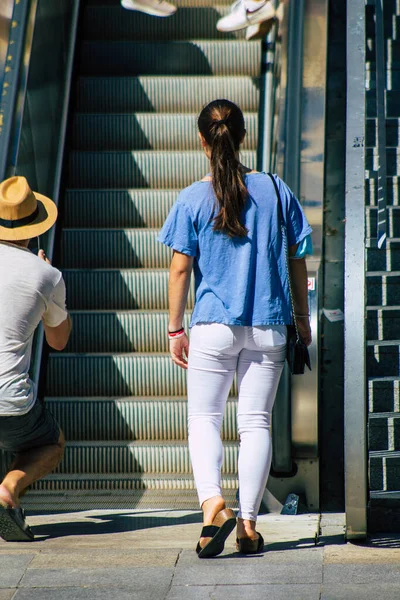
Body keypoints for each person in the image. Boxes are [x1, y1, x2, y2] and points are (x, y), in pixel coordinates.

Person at [158, 99, 312, 558]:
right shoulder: (275, 189)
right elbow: (297, 257)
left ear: (202, 141)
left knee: (204, 419)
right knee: (255, 422)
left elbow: (180, 271)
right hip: (269, 325)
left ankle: (213, 508)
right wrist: (301, 320)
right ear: (242, 136)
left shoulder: (192, 197)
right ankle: (247, 525)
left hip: (213, 326)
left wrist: (174, 329)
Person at [0, 176, 72, 542]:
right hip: (9, 402)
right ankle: (10, 487)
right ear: (34, 226)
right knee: (50, 442)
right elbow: (59, 340)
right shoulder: (45, 275)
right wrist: (46, 288)